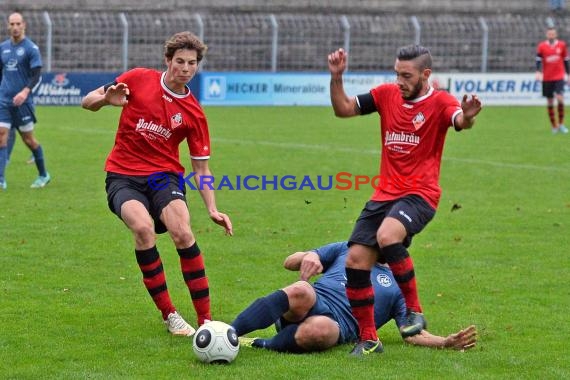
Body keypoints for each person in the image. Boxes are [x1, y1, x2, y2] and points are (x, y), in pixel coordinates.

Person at [327, 45, 482, 355]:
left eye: (406, 75)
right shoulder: (386, 94)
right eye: (397, 73)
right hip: (384, 194)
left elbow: (459, 121)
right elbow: (343, 109)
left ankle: (414, 309)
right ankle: (369, 339)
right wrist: (337, 77)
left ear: (426, 75)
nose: (399, 80)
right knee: (356, 262)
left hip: (420, 194)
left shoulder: (439, 102)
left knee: (387, 236)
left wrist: (467, 116)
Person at [81, 31, 233, 336]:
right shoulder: (137, 79)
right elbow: (87, 101)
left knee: (182, 232)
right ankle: (170, 314)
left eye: (192, 63)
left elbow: (201, 167)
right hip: (123, 175)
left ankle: (206, 320)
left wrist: (213, 208)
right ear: (168, 60)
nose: (186, 68)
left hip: (164, 177)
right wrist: (106, 101)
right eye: (180, 61)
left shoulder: (194, 113)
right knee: (143, 228)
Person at [231, 241, 477, 353]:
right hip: (309, 303)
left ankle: (261, 343)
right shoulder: (346, 249)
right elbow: (289, 262)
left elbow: (412, 334)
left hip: (337, 326)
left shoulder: (399, 286)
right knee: (301, 289)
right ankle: (228, 331)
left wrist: (444, 342)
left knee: (320, 328)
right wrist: (310, 257)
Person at [0, 12, 50, 190]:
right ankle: (1, 179)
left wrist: (25, 92)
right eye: (11, 24)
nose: (14, 27)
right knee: (1, 136)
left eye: (18, 24)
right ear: (8, 26)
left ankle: (43, 175)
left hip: (23, 103)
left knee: (29, 140)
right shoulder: (3, 47)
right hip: (4, 101)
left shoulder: (31, 48)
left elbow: (36, 75)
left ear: (24, 25)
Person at [535, 27, 570, 134]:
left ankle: (561, 124)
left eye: (553, 34)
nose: (551, 36)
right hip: (547, 78)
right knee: (550, 101)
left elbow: (566, 60)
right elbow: (538, 60)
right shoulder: (542, 46)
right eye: (549, 34)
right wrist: (538, 71)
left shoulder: (562, 45)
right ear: (547, 35)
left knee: (560, 98)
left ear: (556, 35)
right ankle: (554, 126)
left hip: (559, 77)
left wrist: (568, 75)